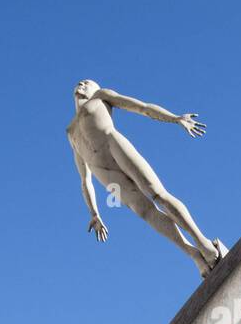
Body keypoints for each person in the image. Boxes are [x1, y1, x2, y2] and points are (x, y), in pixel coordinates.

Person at [68, 80, 225, 275]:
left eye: (87, 82)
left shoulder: (101, 96)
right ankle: (193, 255)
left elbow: (142, 107)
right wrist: (94, 213)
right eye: (79, 82)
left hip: (114, 145)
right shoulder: (71, 131)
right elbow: (84, 178)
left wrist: (175, 118)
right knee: (145, 211)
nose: (82, 83)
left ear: (95, 88)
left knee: (158, 194)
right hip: (102, 170)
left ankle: (202, 241)